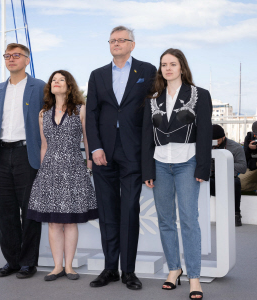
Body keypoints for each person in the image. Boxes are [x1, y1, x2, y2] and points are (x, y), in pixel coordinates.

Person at [86, 25, 157, 290]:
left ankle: (128, 271)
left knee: (129, 211)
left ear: (132, 44)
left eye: (121, 40)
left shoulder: (148, 71)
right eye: (112, 40)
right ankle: (109, 269)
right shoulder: (97, 75)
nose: (116, 43)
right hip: (104, 152)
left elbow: (154, 109)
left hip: (133, 151)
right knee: (107, 212)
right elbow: (91, 115)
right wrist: (95, 149)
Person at [142, 48, 212, 299]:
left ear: (182, 67)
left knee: (189, 220)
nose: (168, 68)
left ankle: (194, 276)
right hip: (160, 164)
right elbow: (146, 137)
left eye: (172, 64)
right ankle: (174, 269)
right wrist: (147, 169)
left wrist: (203, 167)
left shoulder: (199, 95)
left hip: (187, 162)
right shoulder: (152, 99)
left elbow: (204, 133)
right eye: (163, 64)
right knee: (165, 221)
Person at [27, 70, 98, 281]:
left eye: (61, 79)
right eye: (53, 80)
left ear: (69, 85)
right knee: (53, 223)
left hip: (74, 169)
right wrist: (42, 171)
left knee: (70, 222)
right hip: (49, 171)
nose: (56, 82)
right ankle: (57, 266)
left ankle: (69, 267)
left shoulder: (80, 110)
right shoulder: (43, 114)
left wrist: (90, 165)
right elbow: (44, 145)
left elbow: (87, 139)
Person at [0, 43, 44, 279]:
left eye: (16, 56)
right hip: (2, 154)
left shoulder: (39, 87)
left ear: (27, 60)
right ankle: (12, 261)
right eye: (7, 56)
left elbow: (46, 121)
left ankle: (29, 262)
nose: (11, 59)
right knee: (5, 211)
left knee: (29, 210)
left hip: (26, 154)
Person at [210, 124, 247, 226]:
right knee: (203, 182)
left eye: (217, 140)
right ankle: (202, 214)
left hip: (228, 179)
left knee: (236, 182)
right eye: (212, 140)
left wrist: (223, 162)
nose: (215, 143)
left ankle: (236, 214)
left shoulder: (235, 147)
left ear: (223, 137)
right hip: (211, 178)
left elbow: (243, 167)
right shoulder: (205, 145)